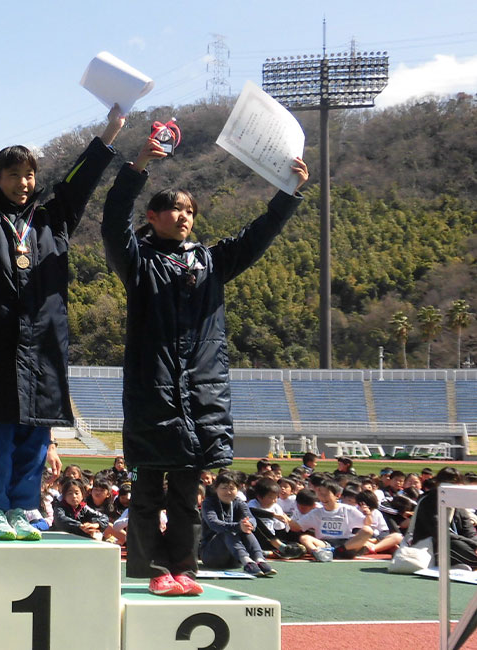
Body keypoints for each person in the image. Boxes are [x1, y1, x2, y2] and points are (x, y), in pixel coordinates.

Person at [101, 133, 307, 597]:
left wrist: (288, 194)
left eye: (190, 211)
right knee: (150, 492)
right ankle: (155, 570)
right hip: (152, 392)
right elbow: (113, 223)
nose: (185, 217)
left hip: (203, 394)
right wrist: (136, 168)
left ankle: (184, 569)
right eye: (175, 209)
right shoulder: (138, 261)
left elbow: (257, 237)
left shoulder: (211, 261)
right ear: (152, 216)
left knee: (189, 495)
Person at [0, 102, 127, 541]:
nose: (25, 183)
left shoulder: (51, 220)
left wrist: (109, 134)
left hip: (42, 347)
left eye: (30, 174)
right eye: (15, 174)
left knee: (36, 435)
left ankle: (21, 509)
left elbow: (81, 182)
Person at [200, 474, 276, 580]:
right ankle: (248, 562)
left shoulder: (239, 502)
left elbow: (251, 518)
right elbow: (214, 524)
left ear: (238, 489)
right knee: (227, 530)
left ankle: (259, 560)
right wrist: (239, 526)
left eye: (232, 488)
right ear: (216, 488)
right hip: (212, 555)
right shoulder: (208, 503)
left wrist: (249, 525)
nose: (228, 492)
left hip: (234, 559)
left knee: (247, 529)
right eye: (224, 488)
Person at [292, 477, 377, 561]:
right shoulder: (316, 513)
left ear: (337, 495)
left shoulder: (348, 509)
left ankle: (337, 551)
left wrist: (368, 514)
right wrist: (285, 518)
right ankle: (318, 553)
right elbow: (297, 526)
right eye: (320, 494)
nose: (323, 498)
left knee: (367, 530)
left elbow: (367, 523)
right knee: (305, 538)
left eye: (326, 495)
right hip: (326, 544)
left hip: (346, 545)